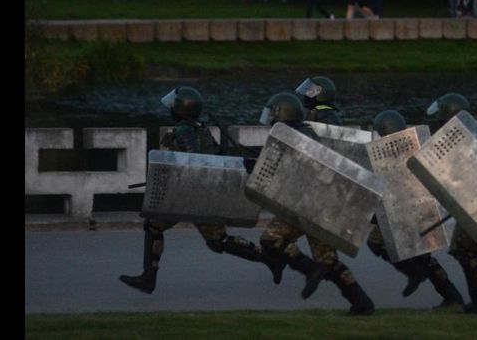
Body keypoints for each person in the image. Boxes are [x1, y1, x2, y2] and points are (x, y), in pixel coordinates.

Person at [118, 87, 284, 294]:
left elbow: (192, 161)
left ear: (180, 110)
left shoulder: (183, 131)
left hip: (192, 194)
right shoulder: (201, 128)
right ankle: (269, 259)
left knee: (154, 227)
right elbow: (216, 154)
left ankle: (149, 278)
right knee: (217, 241)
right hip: (206, 191)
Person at [258, 92, 376, 315]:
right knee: (328, 260)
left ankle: (310, 269)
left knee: (271, 240)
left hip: (307, 205)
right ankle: (361, 302)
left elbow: (289, 171)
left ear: (281, 113)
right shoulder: (305, 133)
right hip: (322, 204)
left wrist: (255, 168)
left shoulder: (291, 135)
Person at [366, 110, 464, 308]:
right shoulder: (416, 146)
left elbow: (389, 189)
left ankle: (413, 273)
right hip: (424, 211)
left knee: (376, 243)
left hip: (405, 212)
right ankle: (451, 295)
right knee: (424, 256)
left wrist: (377, 216)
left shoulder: (387, 156)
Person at [425, 93, 477, 314]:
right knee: (462, 250)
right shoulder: (467, 134)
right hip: (475, 203)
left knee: (464, 250)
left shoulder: (459, 138)